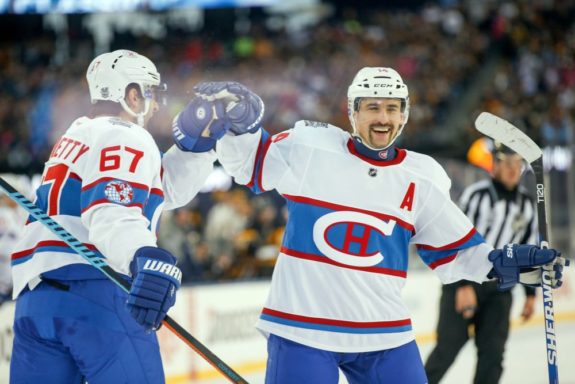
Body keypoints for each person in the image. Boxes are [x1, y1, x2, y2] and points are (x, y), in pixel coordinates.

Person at [184, 68, 565, 384]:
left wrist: (511, 260)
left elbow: (459, 254)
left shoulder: (423, 176)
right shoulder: (311, 145)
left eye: (392, 108)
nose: (383, 118)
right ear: (353, 112)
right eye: (372, 108)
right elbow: (249, 165)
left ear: (405, 114)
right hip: (302, 329)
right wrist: (241, 126)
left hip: (383, 332)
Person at [9, 49, 231, 383]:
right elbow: (112, 209)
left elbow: (157, 192)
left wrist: (195, 148)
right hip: (96, 291)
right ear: (131, 94)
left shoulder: (76, 135)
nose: (155, 104)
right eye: (151, 92)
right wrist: (142, 255)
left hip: (35, 302)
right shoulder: (126, 134)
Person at [424, 142, 538, 384]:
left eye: (517, 164)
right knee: (447, 348)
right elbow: (456, 240)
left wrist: (530, 293)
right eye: (506, 163)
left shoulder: (527, 204)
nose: (512, 170)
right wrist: (463, 286)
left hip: (500, 289)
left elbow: (526, 249)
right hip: (463, 283)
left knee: (493, 354)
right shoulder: (477, 195)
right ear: (494, 166)